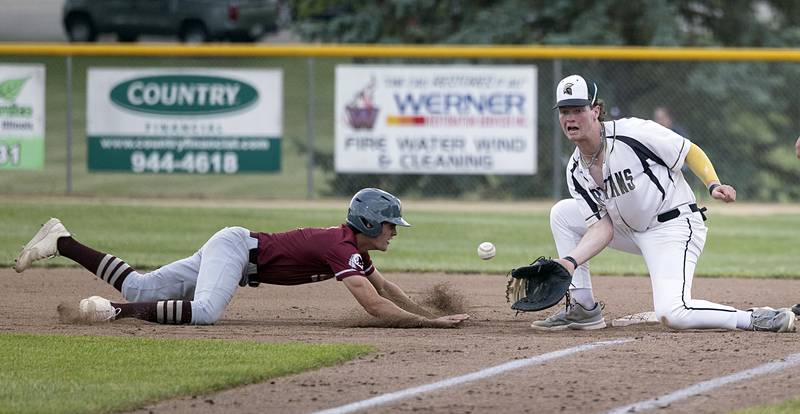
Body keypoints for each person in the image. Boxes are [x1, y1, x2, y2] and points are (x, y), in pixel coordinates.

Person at [531, 74, 795, 333]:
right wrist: (569, 262)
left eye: (578, 109)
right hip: (630, 229)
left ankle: (756, 318)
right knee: (562, 214)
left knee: (673, 313)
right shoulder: (576, 169)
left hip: (673, 227)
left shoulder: (632, 133)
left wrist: (713, 184)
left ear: (596, 111)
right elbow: (602, 229)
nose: (570, 118)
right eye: (564, 112)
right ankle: (583, 307)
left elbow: (689, 150)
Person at [13, 188, 470, 328]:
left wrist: (429, 312)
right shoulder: (340, 247)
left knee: (139, 285)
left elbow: (383, 289)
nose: (394, 232)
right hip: (236, 249)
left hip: (235, 248)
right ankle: (115, 312)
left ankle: (62, 242)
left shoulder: (348, 247)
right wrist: (429, 326)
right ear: (370, 224)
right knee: (207, 311)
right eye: (391, 224)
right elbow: (371, 305)